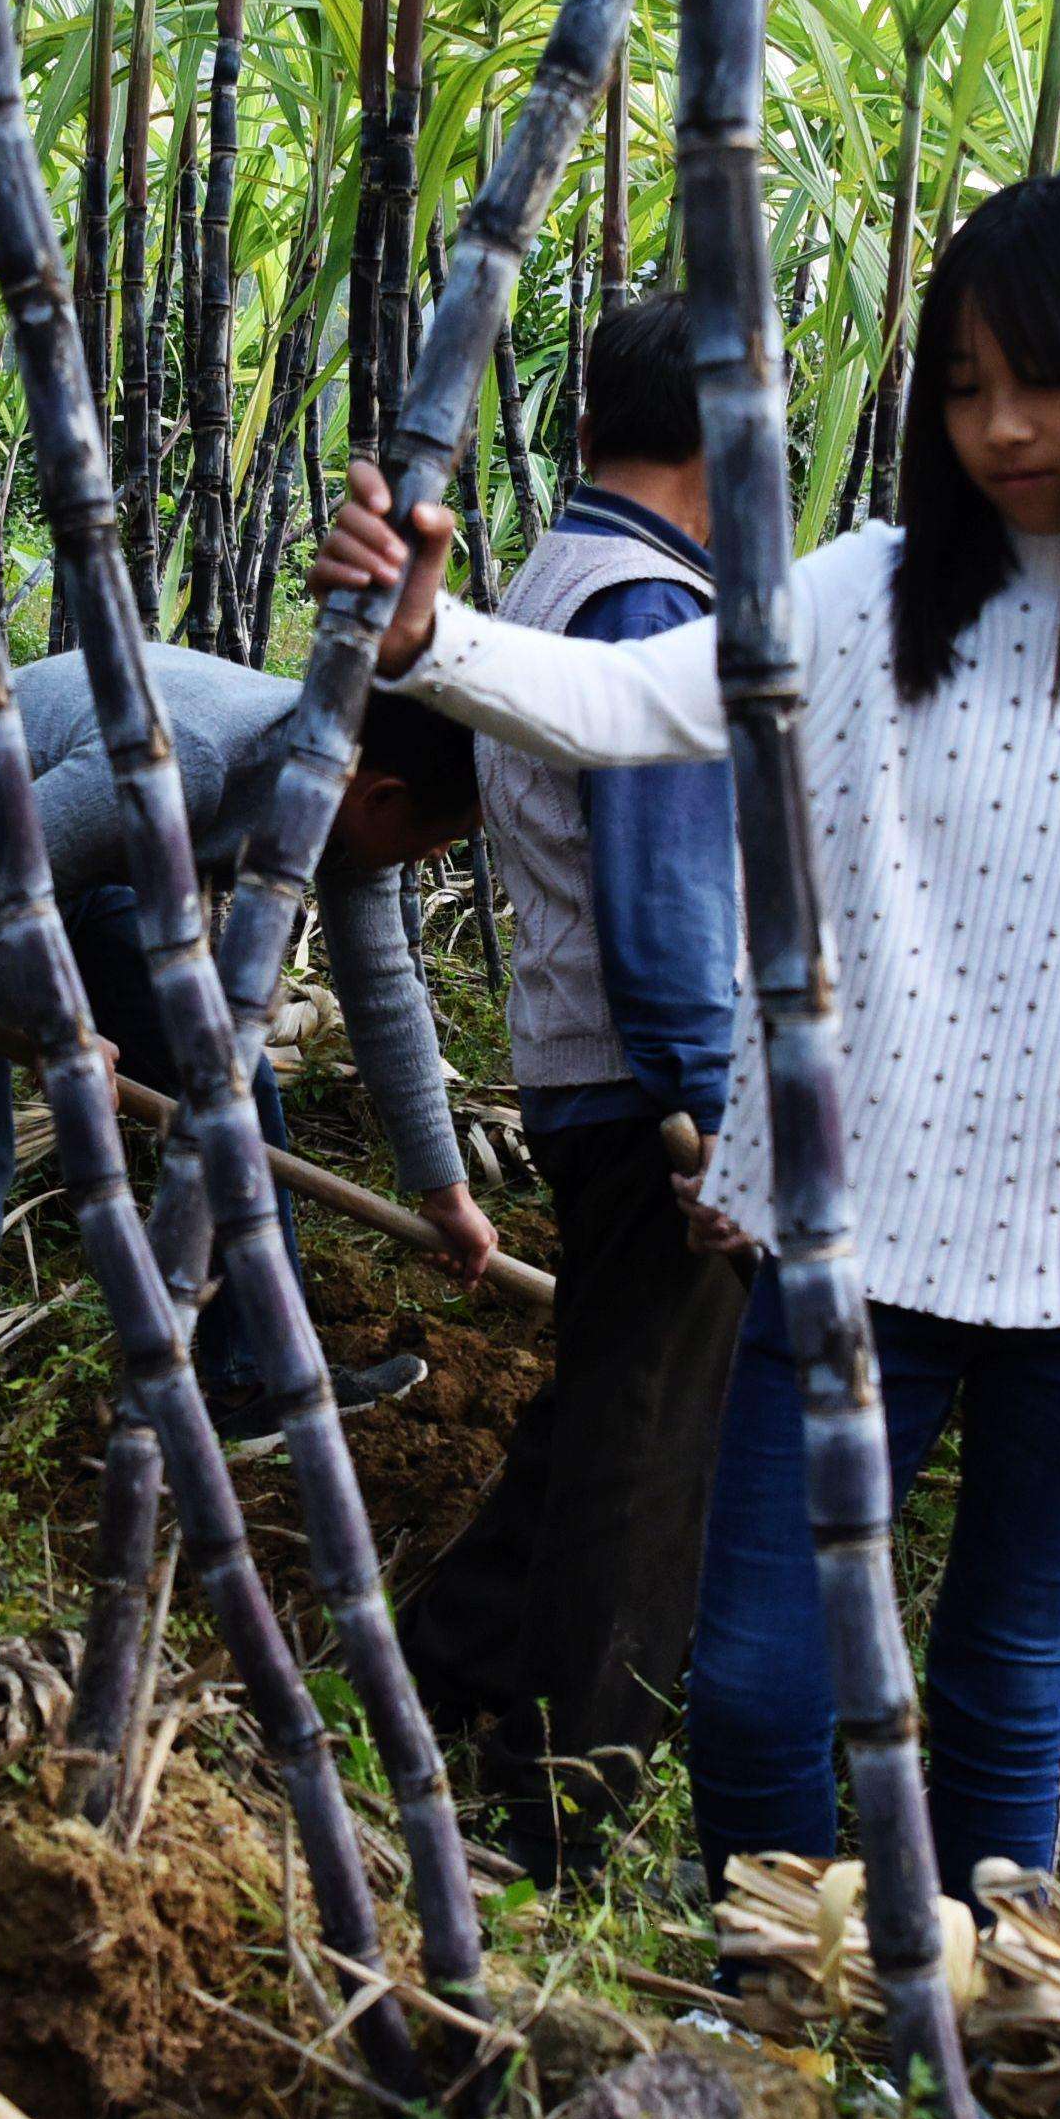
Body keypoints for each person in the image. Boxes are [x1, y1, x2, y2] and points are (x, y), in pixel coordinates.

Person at [319, 171, 1060, 1909]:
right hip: (843, 1246)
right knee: (764, 1677)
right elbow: (638, 704)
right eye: (966, 381)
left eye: (1043, 382)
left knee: (1010, 1690)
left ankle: (968, 2038)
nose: (998, 427)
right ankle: (774, 1996)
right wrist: (434, 640)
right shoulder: (872, 592)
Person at [397, 297, 751, 1881]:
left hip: (577, 1060)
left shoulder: (560, 572)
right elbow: (667, 886)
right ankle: (571, 1809)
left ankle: (445, 1666)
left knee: (604, 1400)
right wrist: (709, 1108)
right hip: (646, 1080)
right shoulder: (649, 607)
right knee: (652, 1449)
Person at [0, 645, 499, 1448]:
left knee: (233, 1084)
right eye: (445, 839)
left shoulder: (348, 791)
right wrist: (61, 1030)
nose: (438, 858)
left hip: (63, 873)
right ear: (385, 795)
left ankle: (253, 1379)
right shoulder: (191, 762)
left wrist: (443, 1189)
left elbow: (384, 987)